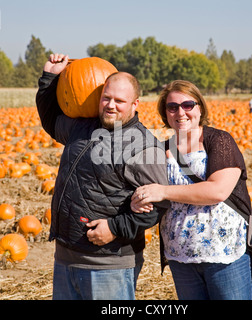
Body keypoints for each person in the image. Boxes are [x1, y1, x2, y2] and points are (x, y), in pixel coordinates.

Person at [36, 53, 169, 300]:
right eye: (106, 98)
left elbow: (160, 204)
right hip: (66, 256)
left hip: (109, 264)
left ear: (135, 104)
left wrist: (114, 228)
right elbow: (51, 119)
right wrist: (50, 78)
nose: (110, 105)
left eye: (119, 100)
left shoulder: (143, 147)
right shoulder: (82, 128)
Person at [130, 80, 252, 300]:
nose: (181, 112)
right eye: (172, 107)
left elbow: (217, 191)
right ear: (165, 113)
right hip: (180, 255)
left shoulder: (219, 140)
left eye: (188, 105)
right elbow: (150, 191)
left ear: (200, 108)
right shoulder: (163, 148)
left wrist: (164, 192)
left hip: (223, 253)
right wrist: (139, 200)